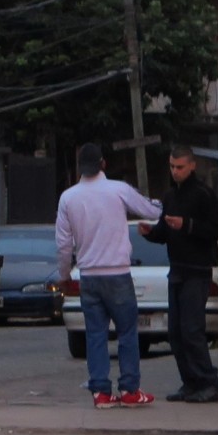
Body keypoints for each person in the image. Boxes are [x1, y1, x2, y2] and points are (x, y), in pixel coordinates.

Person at [55, 142, 164, 408]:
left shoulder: (68, 198)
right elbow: (152, 211)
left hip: (88, 276)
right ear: (103, 164)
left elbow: (63, 244)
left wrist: (65, 274)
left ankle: (101, 392)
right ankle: (129, 389)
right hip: (117, 274)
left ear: (80, 168)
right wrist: (166, 205)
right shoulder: (119, 190)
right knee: (127, 332)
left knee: (95, 335)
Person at [141, 146, 218, 403]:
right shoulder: (170, 196)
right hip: (177, 270)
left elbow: (216, 230)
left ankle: (210, 383)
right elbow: (165, 232)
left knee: (192, 329)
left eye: (179, 167)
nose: (175, 172)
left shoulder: (203, 194)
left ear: (191, 166)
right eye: (172, 167)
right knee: (176, 332)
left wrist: (187, 225)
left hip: (197, 271)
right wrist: (151, 233)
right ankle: (190, 382)